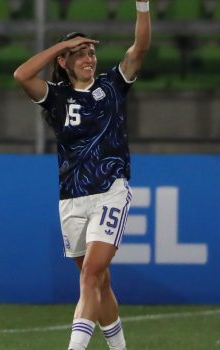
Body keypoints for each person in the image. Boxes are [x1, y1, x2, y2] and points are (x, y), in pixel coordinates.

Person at [13, 1, 151, 349]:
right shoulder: (56, 97)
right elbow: (21, 75)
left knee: (90, 274)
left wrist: (142, 6)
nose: (89, 58)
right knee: (98, 282)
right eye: (80, 53)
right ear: (65, 62)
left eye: (91, 52)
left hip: (110, 190)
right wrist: (62, 44)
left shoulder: (113, 85)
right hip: (71, 198)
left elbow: (140, 48)